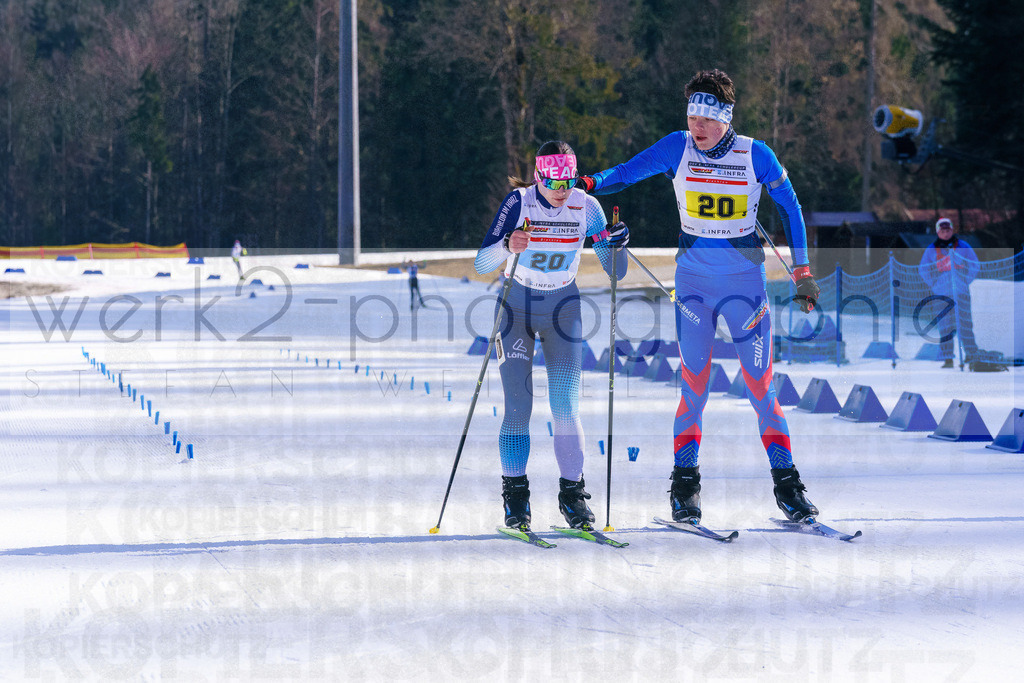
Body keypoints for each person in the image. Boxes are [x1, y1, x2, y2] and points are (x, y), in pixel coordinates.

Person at [578, 69, 821, 524]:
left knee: (760, 387)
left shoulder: (756, 154)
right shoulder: (677, 147)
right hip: (693, 288)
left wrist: (803, 271)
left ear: (726, 118)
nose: (697, 126)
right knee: (694, 388)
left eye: (706, 118)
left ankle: (788, 486)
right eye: (692, 116)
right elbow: (627, 173)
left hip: (745, 288)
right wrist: (589, 183)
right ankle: (684, 486)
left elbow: (791, 206)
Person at [475, 140, 628, 531]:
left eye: (568, 182)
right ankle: (516, 497)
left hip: (563, 308)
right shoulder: (519, 203)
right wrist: (508, 245)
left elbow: (615, 270)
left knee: (566, 407)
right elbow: (481, 262)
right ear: (540, 176)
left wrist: (617, 242)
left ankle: (573, 495)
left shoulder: (587, 207)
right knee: (518, 409)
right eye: (554, 183)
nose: (561, 192)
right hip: (516, 307)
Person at [918, 216, 980, 368]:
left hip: (961, 292)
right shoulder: (932, 249)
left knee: (965, 324)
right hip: (941, 294)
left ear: (952, 230)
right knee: (944, 325)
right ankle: (947, 358)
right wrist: (934, 284)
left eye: (948, 230)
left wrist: (965, 281)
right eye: (942, 230)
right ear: (938, 232)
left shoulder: (963, 246)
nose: (946, 233)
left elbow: (974, 264)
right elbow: (923, 269)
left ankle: (971, 354)